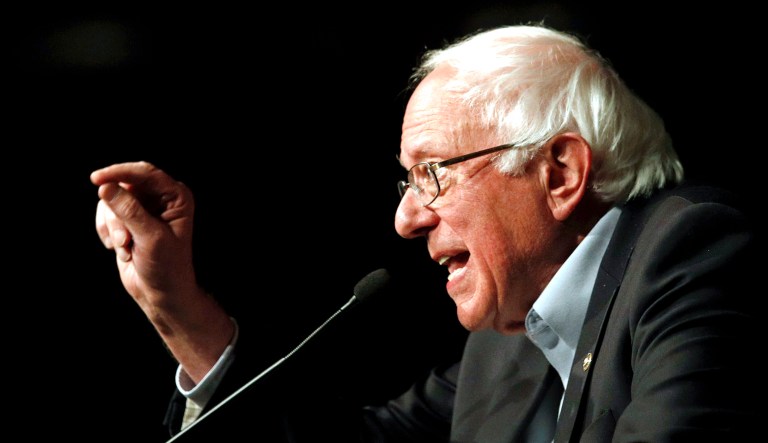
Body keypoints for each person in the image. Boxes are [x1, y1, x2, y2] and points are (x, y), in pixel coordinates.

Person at [91, 23, 761, 442]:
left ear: (558, 173)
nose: (406, 218)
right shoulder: (506, 345)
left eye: (432, 173)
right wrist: (175, 306)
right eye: (408, 181)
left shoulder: (691, 251)